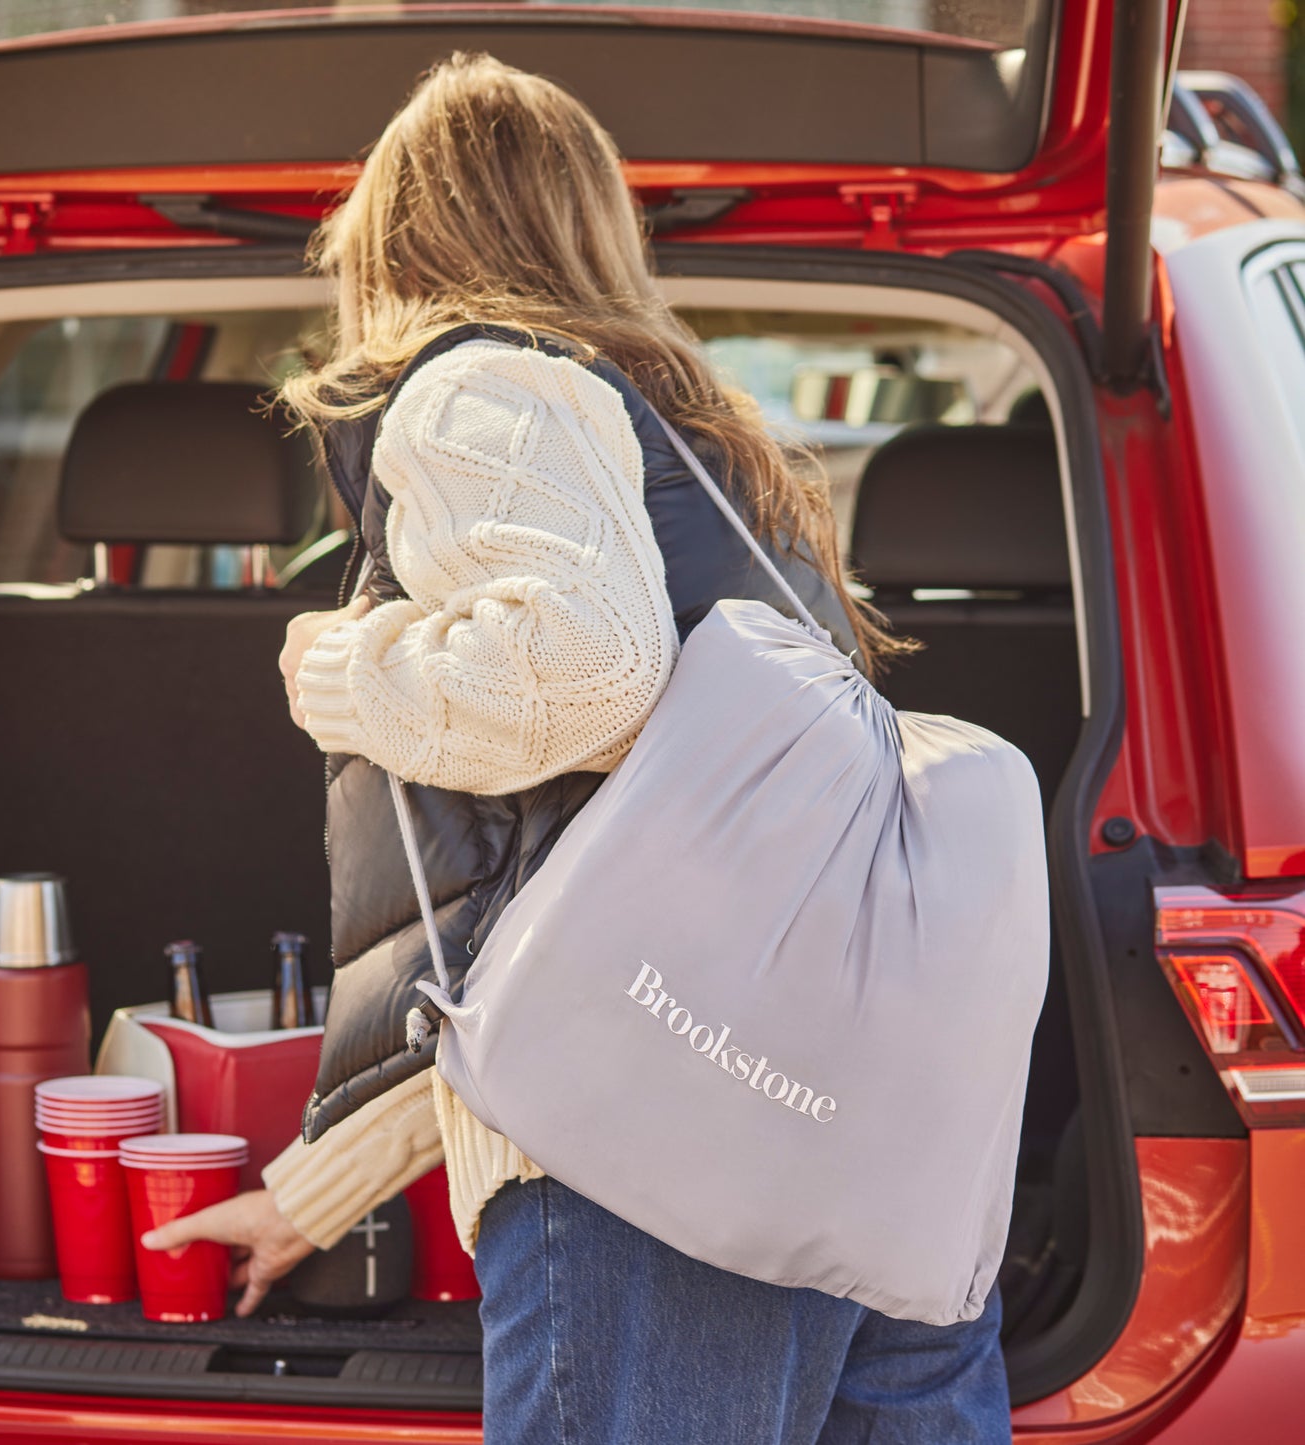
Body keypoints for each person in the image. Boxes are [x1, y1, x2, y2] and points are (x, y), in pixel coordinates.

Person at [144, 52, 1011, 1443]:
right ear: (594, 227)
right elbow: (580, 945)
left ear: (392, 237)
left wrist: (346, 672)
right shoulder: (708, 463)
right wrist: (313, 1198)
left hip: (662, 1170)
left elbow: (588, 676)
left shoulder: (479, 385)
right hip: (875, 1147)